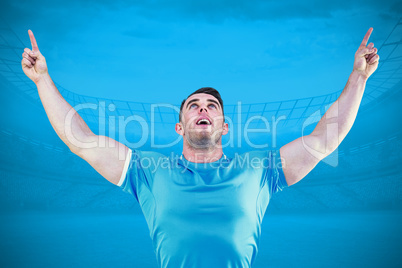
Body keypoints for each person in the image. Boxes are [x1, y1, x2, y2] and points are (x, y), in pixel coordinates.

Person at [21, 28, 379, 268]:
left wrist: (358, 78)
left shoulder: (260, 168)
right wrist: (42, 80)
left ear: (225, 126)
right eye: (193, 105)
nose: (202, 108)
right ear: (180, 126)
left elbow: (323, 140)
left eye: (211, 105)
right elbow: (79, 140)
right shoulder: (146, 170)